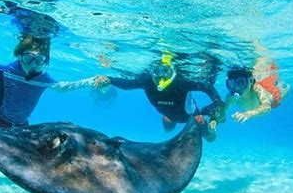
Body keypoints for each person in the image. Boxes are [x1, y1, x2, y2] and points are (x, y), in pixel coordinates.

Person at [95, 53, 225, 141]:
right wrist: (109, 79)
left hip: (191, 116)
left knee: (209, 138)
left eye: (166, 73)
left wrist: (217, 101)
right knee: (168, 129)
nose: (161, 77)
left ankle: (210, 130)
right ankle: (170, 118)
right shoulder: (146, 81)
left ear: (172, 73)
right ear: (153, 72)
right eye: (157, 72)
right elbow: (128, 84)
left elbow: (206, 86)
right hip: (168, 115)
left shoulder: (181, 83)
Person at [224, 63, 290, 123]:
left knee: (282, 93)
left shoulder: (256, 89)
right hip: (257, 105)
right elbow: (223, 110)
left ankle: (284, 86)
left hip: (273, 101)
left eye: (241, 82)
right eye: (231, 84)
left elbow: (267, 107)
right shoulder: (230, 96)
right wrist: (215, 120)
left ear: (251, 81)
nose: (237, 88)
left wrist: (248, 114)